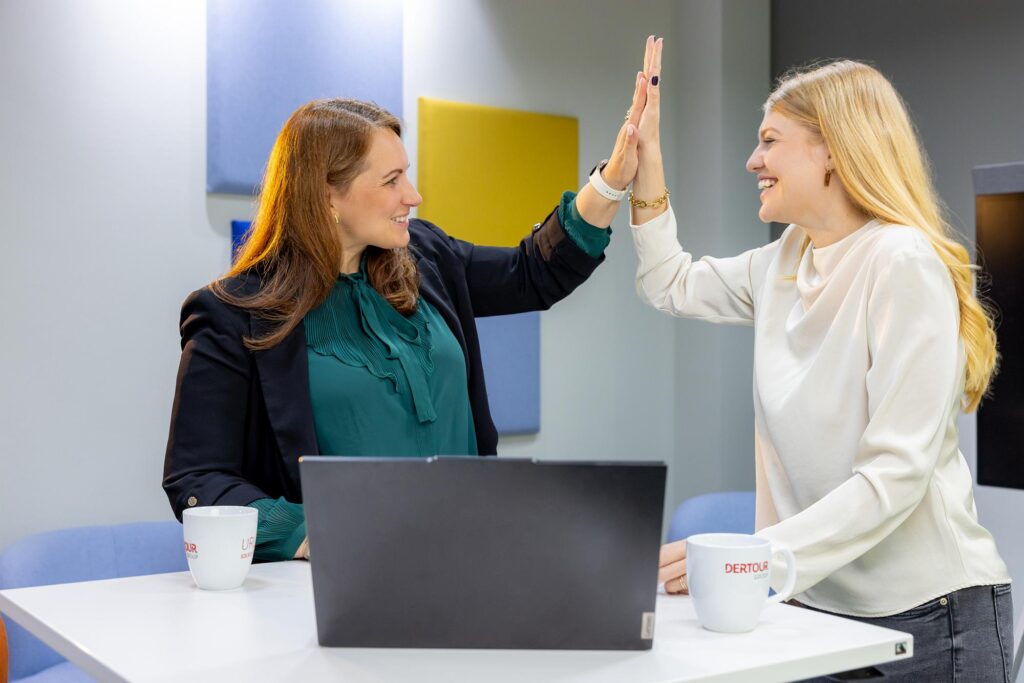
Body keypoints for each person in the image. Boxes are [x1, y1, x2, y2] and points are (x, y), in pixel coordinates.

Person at [633, 48, 1014, 681]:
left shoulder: (901, 262)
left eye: (770, 141)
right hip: (814, 610)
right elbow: (668, 283)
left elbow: (895, 473)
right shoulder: (784, 261)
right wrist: (648, 158)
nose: (753, 160)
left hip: (931, 621)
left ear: (832, 150)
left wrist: (757, 558)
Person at [163, 76, 655, 562]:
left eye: (407, 174)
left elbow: (533, 273)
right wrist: (310, 534)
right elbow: (197, 478)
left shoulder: (428, 257)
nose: (413, 195)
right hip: (348, 581)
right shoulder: (232, 313)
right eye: (391, 180)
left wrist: (611, 182)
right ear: (327, 195)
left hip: (476, 553)